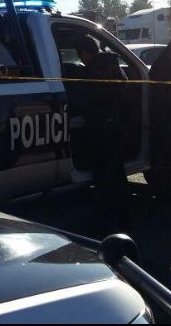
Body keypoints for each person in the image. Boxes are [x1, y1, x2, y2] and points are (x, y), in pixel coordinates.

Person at [73, 34, 130, 235]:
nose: (80, 60)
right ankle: (121, 218)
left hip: (99, 130)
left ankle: (107, 223)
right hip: (116, 127)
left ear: (86, 53)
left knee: (103, 177)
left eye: (80, 55)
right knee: (117, 175)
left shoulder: (91, 71)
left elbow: (85, 100)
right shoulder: (114, 65)